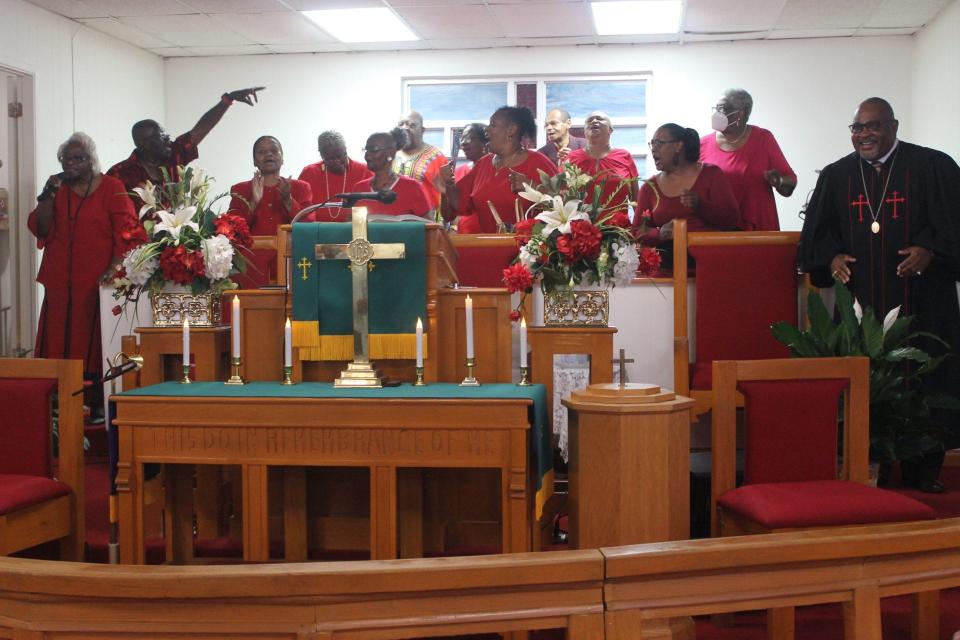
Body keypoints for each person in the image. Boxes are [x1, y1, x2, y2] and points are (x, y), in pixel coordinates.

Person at [799, 97, 960, 491]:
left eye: (873, 126)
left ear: (894, 126)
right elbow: (817, 237)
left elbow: (954, 222)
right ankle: (875, 464)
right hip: (862, 299)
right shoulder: (837, 175)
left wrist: (931, 251)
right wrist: (832, 257)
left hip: (925, 300)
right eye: (857, 128)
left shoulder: (934, 166)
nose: (864, 134)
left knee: (928, 376)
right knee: (868, 379)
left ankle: (926, 469)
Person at [28, 133, 139, 413]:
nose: (72, 164)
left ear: (92, 160)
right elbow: (40, 228)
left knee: (91, 342)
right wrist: (47, 195)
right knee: (59, 338)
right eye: (67, 159)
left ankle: (94, 401)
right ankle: (56, 398)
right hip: (60, 280)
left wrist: (114, 267)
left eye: (79, 158)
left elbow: (127, 234)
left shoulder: (112, 187)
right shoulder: (58, 191)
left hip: (96, 282)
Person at [108, 87, 264, 208]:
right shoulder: (119, 174)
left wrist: (228, 100)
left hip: (177, 243)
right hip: (138, 247)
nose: (169, 137)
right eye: (162, 136)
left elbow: (200, 130)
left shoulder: (173, 156)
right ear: (145, 144)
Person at [440, 106, 556, 233]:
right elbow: (454, 209)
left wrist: (532, 187)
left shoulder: (538, 162)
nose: (486, 130)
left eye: (493, 125)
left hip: (528, 250)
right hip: (490, 249)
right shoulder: (483, 164)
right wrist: (448, 184)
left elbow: (564, 203)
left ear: (511, 130)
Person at [700, 88, 796, 231]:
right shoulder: (703, 144)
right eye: (716, 108)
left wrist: (779, 181)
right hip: (717, 227)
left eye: (723, 108)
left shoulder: (763, 138)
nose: (717, 113)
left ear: (741, 112)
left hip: (756, 227)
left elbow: (791, 181)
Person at [635, 123, 740, 249]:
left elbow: (731, 220)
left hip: (709, 261)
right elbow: (636, 231)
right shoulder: (649, 187)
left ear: (679, 146)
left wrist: (700, 205)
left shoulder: (711, 174)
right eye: (652, 143)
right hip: (667, 265)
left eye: (659, 143)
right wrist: (659, 234)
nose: (653, 148)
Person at [228, 136, 311, 285]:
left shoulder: (300, 188)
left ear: (282, 158)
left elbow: (310, 226)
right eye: (262, 152)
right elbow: (232, 230)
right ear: (254, 161)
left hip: (291, 265)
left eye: (274, 150)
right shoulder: (240, 190)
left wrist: (288, 200)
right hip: (251, 268)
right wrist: (253, 202)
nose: (269, 154)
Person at [567, 111, 638, 216]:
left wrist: (642, 226)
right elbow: (564, 197)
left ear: (610, 129)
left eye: (599, 119)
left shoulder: (625, 156)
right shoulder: (571, 158)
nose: (594, 121)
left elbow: (636, 199)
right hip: (581, 229)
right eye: (589, 120)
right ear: (584, 131)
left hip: (618, 229)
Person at [352, 129, 432, 219]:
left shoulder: (413, 188)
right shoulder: (359, 188)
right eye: (366, 150)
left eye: (374, 149)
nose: (367, 155)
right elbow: (354, 228)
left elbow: (430, 229)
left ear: (390, 153)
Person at [298, 130, 372, 221]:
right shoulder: (309, 173)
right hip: (317, 232)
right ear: (322, 155)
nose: (337, 161)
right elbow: (301, 211)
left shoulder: (365, 171)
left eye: (339, 156)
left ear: (345, 150)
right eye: (330, 158)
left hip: (356, 231)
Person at [394, 111, 447, 209]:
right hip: (392, 220)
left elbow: (448, 193)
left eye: (411, 125)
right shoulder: (389, 154)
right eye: (401, 124)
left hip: (425, 221)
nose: (405, 128)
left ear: (422, 130)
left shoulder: (437, 157)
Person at [453, 123, 489, 233]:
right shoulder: (457, 172)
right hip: (464, 238)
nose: (463, 143)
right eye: (462, 139)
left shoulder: (496, 170)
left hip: (492, 237)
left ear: (485, 142)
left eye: (469, 138)